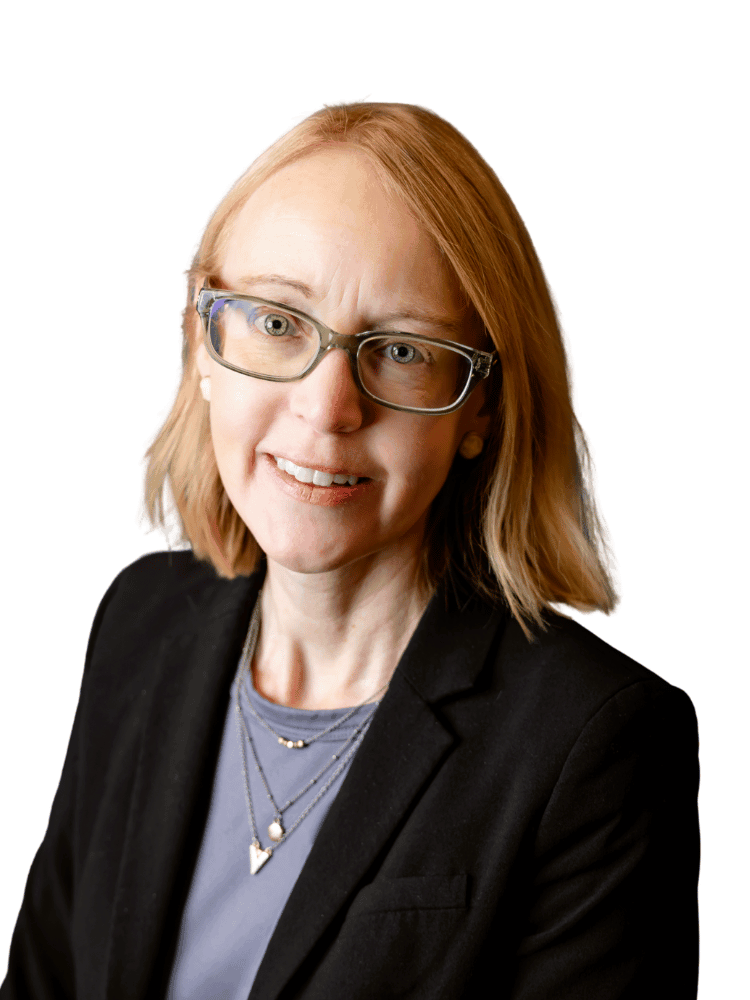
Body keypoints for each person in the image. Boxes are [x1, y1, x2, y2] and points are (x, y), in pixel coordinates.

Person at [1, 102, 699, 999]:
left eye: (401, 349)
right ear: (201, 341)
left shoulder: (592, 743)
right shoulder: (140, 623)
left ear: (481, 408)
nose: (329, 407)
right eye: (278, 323)